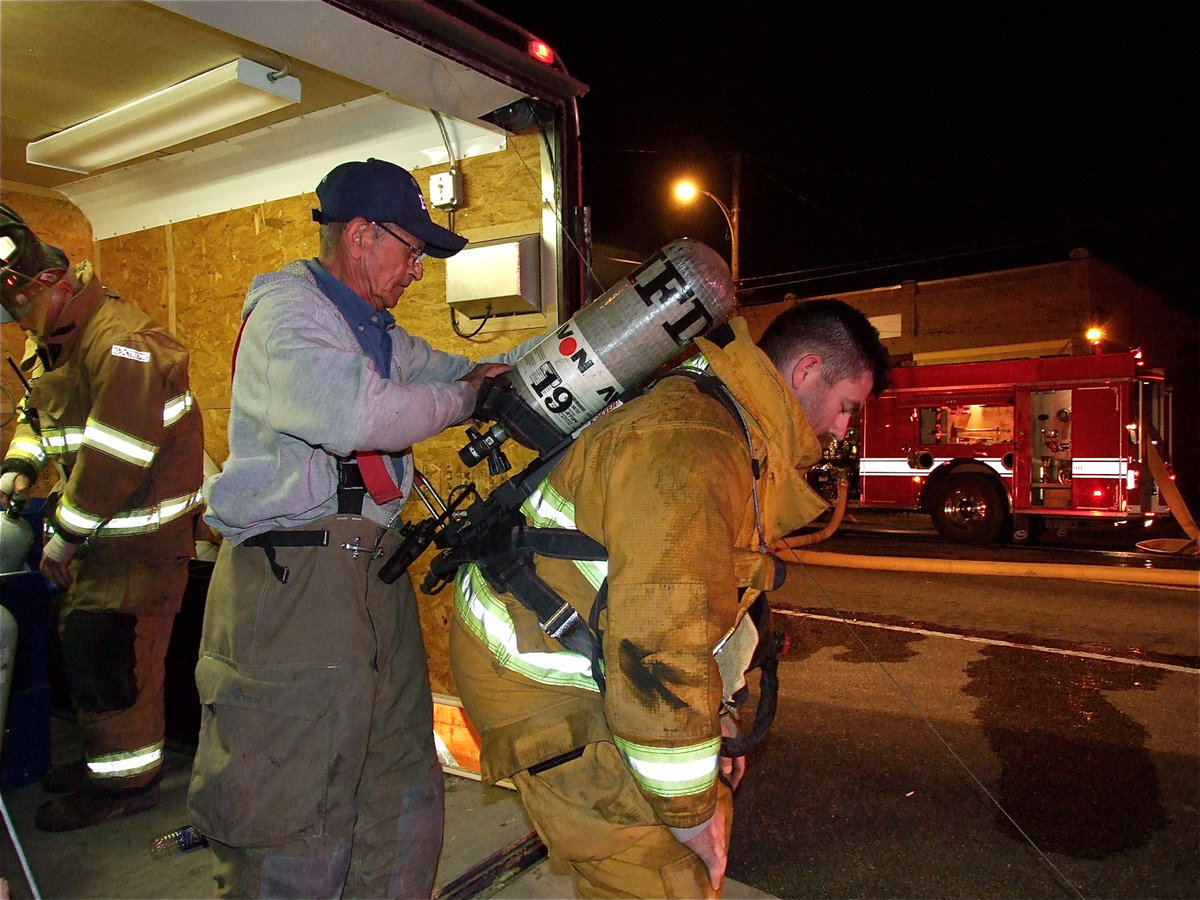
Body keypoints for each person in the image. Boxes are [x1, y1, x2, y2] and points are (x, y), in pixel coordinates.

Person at [449, 298, 889, 897]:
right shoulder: (694, 444)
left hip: (585, 653)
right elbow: (659, 645)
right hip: (537, 682)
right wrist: (691, 812)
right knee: (663, 876)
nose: (841, 431)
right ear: (807, 370)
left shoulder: (736, 432)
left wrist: (716, 718)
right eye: (846, 408)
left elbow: (707, 604)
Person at [187, 158, 529, 899]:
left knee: (397, 778)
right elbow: (357, 416)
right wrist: (465, 400)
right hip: (293, 586)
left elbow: (464, 373)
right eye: (410, 252)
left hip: (371, 576)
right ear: (362, 235)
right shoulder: (289, 315)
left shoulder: (376, 332)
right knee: (292, 800)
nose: (416, 272)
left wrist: (536, 374)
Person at [0, 202, 205, 832]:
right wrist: (16, 468)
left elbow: (115, 460)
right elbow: (44, 421)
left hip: (140, 542)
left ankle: (128, 783)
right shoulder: (57, 340)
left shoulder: (120, 345)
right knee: (89, 652)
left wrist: (60, 540)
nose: (18, 326)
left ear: (52, 285)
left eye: (21, 311)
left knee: (114, 658)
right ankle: (101, 763)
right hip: (100, 538)